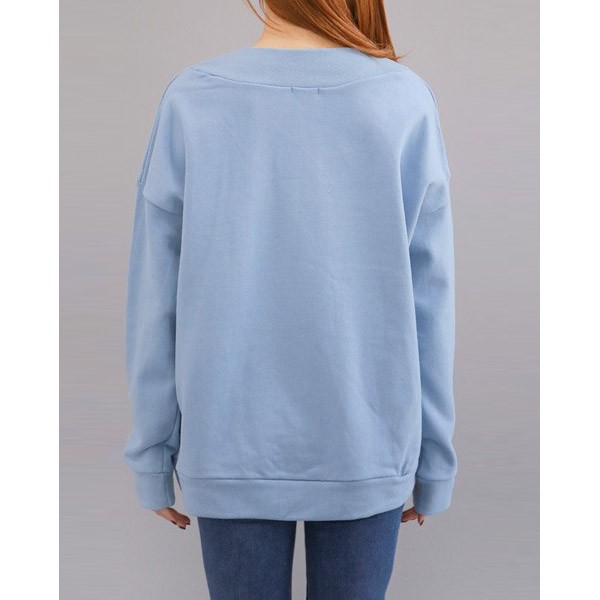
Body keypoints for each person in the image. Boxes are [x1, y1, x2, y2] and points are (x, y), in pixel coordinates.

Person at [123, 0, 458, 597]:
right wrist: (434, 461)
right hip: (367, 443)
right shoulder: (403, 98)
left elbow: (155, 297)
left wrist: (153, 454)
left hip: (228, 440)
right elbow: (429, 300)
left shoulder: (192, 98)